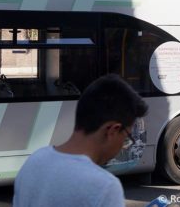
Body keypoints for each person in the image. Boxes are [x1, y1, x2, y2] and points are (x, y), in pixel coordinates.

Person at [13, 74, 148, 207]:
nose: (123, 146)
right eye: (126, 138)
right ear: (112, 130)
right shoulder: (105, 187)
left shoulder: (34, 161)